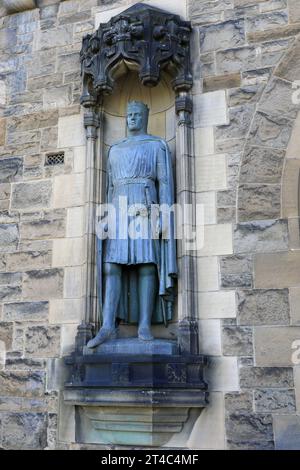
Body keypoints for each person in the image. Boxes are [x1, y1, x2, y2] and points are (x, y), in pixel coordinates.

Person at [87, 101, 177, 348]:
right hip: (117, 208)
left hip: (145, 207)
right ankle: (107, 326)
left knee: (147, 265)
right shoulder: (114, 149)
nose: (132, 119)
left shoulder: (156, 145)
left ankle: (145, 324)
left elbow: (165, 184)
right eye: (129, 115)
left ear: (145, 117)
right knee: (111, 267)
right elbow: (107, 189)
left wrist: (164, 216)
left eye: (137, 115)